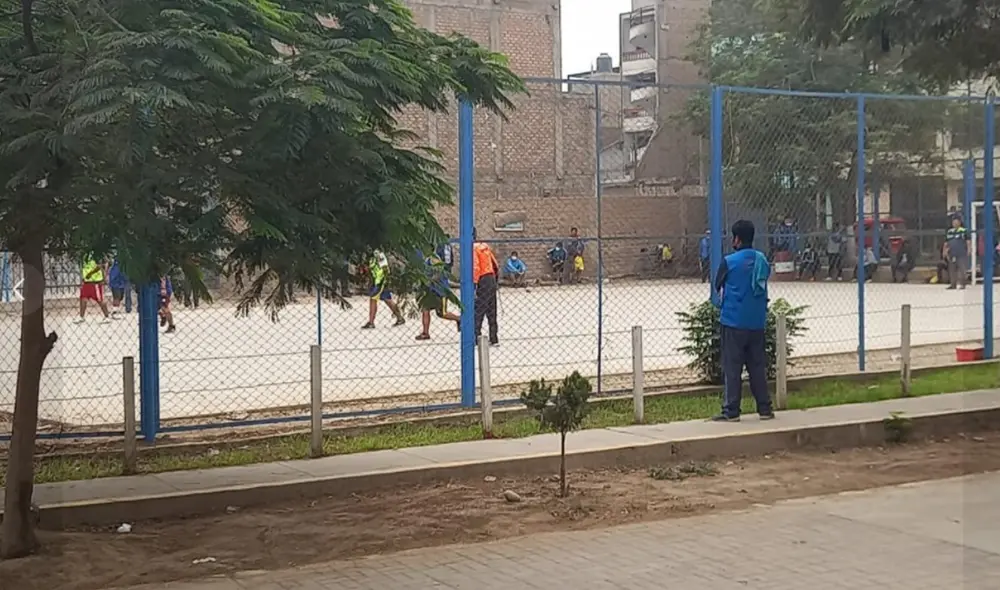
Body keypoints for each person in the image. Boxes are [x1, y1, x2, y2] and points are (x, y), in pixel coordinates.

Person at [712, 219, 773, 423]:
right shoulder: (762, 259)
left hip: (733, 320)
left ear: (736, 239)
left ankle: (732, 411)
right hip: (757, 321)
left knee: (732, 366)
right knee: (757, 366)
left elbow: (717, 284)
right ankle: (765, 409)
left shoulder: (729, 261)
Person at [415, 253, 461, 340]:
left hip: (440, 290)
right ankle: (425, 333)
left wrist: (430, 280)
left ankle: (459, 319)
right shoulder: (422, 258)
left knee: (442, 313)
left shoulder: (434, 258)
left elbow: (438, 272)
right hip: (429, 290)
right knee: (425, 309)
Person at [361, 249, 405, 329]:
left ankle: (371, 322)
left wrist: (385, 280)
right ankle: (400, 317)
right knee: (387, 299)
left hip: (381, 281)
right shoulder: (370, 257)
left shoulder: (378, 254)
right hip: (376, 281)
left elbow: (385, 268)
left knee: (373, 298)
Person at [472, 228, 500, 346]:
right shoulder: (485, 247)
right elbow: (495, 264)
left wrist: (474, 283)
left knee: (479, 309)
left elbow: (476, 267)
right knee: (492, 309)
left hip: (482, 279)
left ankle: (475, 336)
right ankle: (494, 338)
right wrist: (496, 278)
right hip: (491, 277)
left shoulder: (473, 249)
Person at [75, 255, 112, 324]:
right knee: (83, 298)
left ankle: (107, 316)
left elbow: (99, 266)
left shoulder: (95, 254)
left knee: (100, 300)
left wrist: (91, 274)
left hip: (95, 281)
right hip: (87, 281)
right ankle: (81, 317)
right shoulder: (84, 255)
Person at [944, 215, 971, 290]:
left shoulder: (964, 230)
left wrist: (969, 249)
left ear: (959, 222)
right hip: (952, 253)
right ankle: (953, 284)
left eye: (956, 222)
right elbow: (946, 243)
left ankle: (963, 284)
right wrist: (945, 251)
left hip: (961, 253)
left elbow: (968, 241)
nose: (954, 223)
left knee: (962, 269)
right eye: (953, 222)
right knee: (952, 269)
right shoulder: (950, 231)